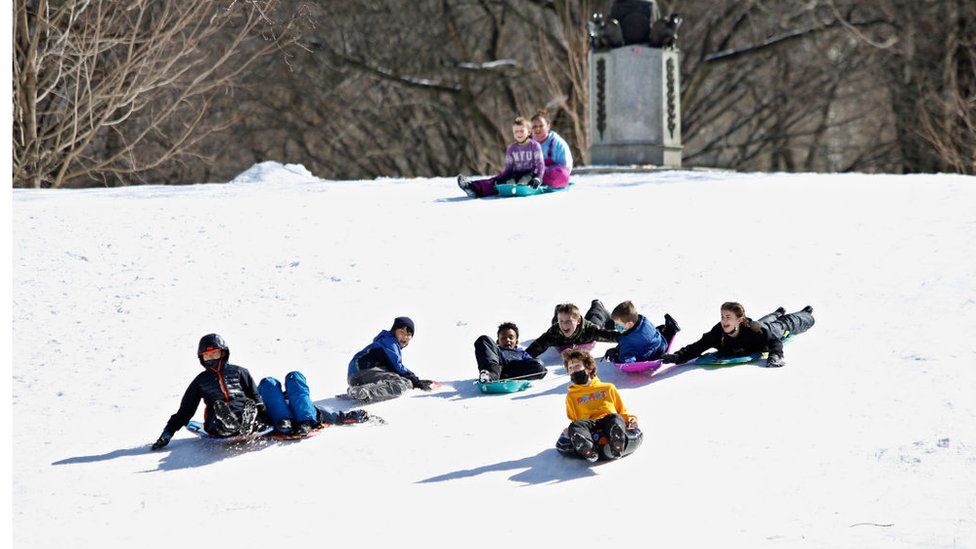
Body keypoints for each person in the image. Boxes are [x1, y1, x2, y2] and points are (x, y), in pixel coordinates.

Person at [151, 333, 267, 450]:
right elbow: (186, 410)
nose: (212, 360)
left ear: (223, 353)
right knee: (219, 408)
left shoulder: (240, 372)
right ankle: (230, 425)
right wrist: (168, 432)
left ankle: (248, 422)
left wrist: (264, 416)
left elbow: (255, 396)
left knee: (248, 406)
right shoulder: (200, 381)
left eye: (215, 354)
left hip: (241, 410)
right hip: (216, 418)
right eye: (207, 356)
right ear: (202, 358)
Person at [662, 303, 815, 368]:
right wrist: (677, 357)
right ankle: (777, 312)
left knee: (782, 324)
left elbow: (774, 341)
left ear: (739, 320)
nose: (723, 321)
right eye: (722, 317)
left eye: (728, 317)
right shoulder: (718, 331)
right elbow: (699, 346)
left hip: (766, 331)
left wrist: (775, 355)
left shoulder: (754, 331)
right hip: (757, 324)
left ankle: (804, 313)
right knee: (764, 320)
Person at [562, 349, 641, 461]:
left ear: (588, 368)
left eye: (577, 366)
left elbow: (621, 411)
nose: (574, 370)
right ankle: (587, 448)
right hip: (590, 426)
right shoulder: (571, 396)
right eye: (570, 368)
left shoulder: (608, 388)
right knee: (575, 425)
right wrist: (571, 430)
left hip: (608, 421)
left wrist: (631, 420)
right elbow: (574, 419)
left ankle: (617, 441)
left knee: (615, 418)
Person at [347, 316, 435, 402]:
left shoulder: (386, 341)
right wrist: (415, 381)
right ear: (394, 331)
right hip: (364, 371)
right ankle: (365, 392)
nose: (405, 336)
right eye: (401, 332)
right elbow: (397, 366)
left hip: (357, 376)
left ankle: (359, 390)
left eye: (408, 334)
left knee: (399, 379)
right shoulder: (390, 342)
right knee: (402, 383)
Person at [258, 371, 368, 436]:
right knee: (271, 383)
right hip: (291, 417)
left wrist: (354, 415)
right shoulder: (299, 402)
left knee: (289, 378)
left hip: (289, 419)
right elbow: (331, 415)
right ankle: (300, 422)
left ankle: (295, 422)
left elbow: (332, 415)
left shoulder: (298, 402)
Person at [457, 116, 545, 198]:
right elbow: (509, 168)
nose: (519, 134)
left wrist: (538, 178)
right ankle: (473, 187)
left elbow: (540, 164)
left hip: (529, 175)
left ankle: (518, 187)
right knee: (497, 182)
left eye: (521, 131)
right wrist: (501, 178)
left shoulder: (534, 146)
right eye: (516, 131)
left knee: (521, 183)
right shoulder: (511, 148)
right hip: (514, 174)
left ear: (529, 131)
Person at [526, 301, 620, 358]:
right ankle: (559, 308)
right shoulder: (555, 332)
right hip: (561, 326)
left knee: (595, 319)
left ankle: (597, 305)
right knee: (557, 320)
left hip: (586, 327)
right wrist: (524, 357)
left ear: (578, 321)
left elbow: (610, 336)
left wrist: (627, 339)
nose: (564, 325)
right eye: (562, 321)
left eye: (568, 321)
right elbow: (539, 344)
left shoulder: (588, 330)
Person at [603, 301, 680, 363]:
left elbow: (627, 359)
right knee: (657, 331)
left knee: (626, 348)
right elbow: (627, 329)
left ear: (629, 324)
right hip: (660, 342)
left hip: (651, 356)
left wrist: (615, 355)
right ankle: (670, 329)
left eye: (617, 324)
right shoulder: (643, 320)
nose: (616, 326)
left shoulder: (627, 341)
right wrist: (614, 325)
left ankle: (670, 332)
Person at [475, 322, 547, 383]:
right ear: (497, 342)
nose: (507, 340)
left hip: (514, 370)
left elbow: (532, 363)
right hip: (497, 366)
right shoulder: (496, 351)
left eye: (511, 337)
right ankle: (491, 374)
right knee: (483, 339)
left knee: (539, 364)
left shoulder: (522, 353)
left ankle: (503, 376)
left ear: (516, 342)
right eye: (503, 338)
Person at [530, 109, 573, 189]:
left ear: (548, 126)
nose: (537, 129)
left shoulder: (558, 143)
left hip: (551, 176)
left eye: (541, 126)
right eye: (534, 126)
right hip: (532, 175)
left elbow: (566, 168)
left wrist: (544, 173)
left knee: (562, 175)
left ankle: (540, 182)